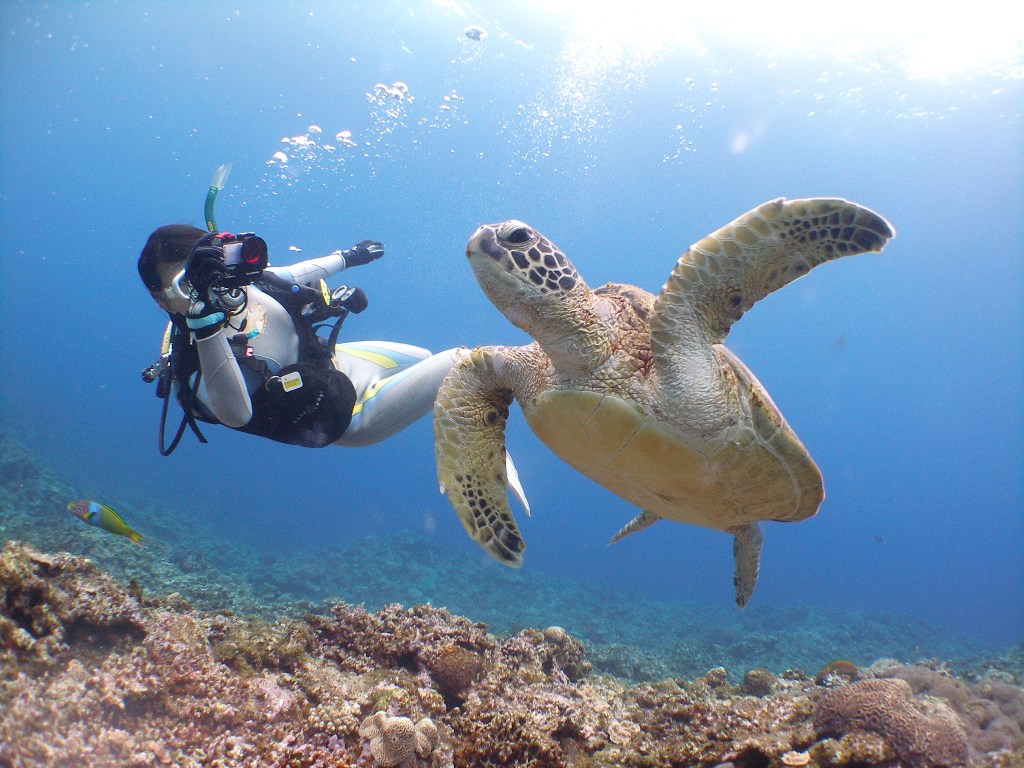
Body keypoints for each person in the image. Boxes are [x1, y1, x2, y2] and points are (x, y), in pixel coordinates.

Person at [138, 225, 477, 454]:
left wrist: (350, 256)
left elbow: (298, 272)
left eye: (212, 271)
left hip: (340, 363)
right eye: (189, 284)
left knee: (425, 356)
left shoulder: (246, 286)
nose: (212, 287)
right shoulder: (196, 365)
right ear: (163, 301)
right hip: (353, 414)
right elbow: (236, 413)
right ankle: (476, 455)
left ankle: (471, 429)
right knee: (462, 362)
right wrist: (204, 322)